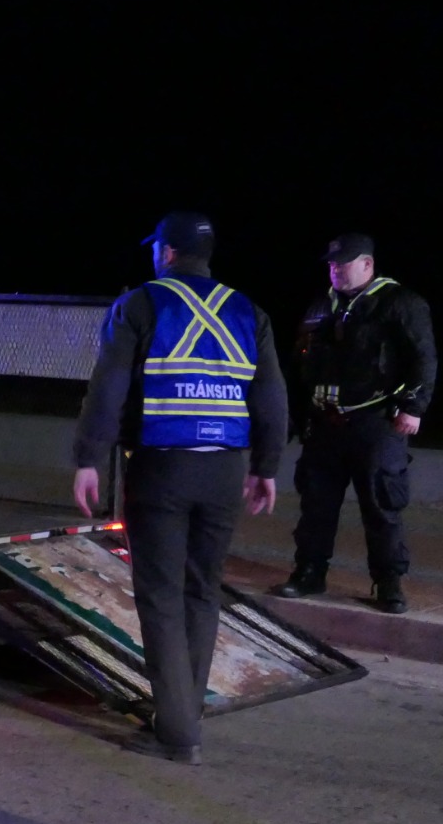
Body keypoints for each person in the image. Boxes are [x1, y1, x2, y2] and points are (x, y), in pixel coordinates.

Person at [72, 212, 287, 764]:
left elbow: (109, 386)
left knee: (161, 597)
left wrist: (89, 459)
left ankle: (177, 730)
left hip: (162, 468)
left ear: (167, 253)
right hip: (226, 470)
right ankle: (182, 711)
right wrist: (266, 467)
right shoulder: (248, 311)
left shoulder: (141, 304)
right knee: (202, 591)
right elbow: (270, 398)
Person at [273, 233, 436, 614]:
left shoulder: (400, 304)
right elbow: (300, 364)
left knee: (381, 504)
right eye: (331, 264)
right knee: (316, 503)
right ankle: (309, 573)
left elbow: (424, 359)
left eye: (343, 264)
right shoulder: (321, 305)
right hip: (325, 423)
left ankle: (388, 582)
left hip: (376, 423)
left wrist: (414, 407)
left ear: (367, 264)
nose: (335, 270)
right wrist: (294, 415)